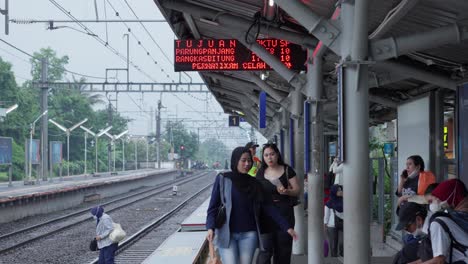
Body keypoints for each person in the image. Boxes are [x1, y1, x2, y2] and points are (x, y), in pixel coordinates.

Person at [206, 147, 297, 264]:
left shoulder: (255, 183)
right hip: (227, 233)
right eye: (243, 160)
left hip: (249, 235)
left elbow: (268, 206)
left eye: (249, 160)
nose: (247, 164)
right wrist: (210, 227)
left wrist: (287, 227)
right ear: (235, 160)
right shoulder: (223, 179)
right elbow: (213, 206)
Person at [256, 143, 300, 264]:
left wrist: (287, 191)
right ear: (263, 157)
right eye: (266, 155)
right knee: (265, 250)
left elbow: (297, 190)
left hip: (285, 213)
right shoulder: (260, 172)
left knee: (283, 250)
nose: (269, 158)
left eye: (272, 154)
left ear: (277, 155)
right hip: (265, 216)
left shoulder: (287, 170)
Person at [421, 179, 468, 263]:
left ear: (449, 197)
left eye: (436, 199)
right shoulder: (457, 217)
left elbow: (439, 260)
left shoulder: (442, 221)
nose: (431, 205)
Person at [324, 184, 344, 257]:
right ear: (334, 191)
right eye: (338, 190)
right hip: (332, 225)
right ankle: (334, 258)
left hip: (343, 224)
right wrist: (325, 224)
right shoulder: (329, 203)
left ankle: (343, 256)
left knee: (342, 242)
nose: (340, 191)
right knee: (333, 245)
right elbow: (326, 215)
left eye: (340, 189)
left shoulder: (346, 201)